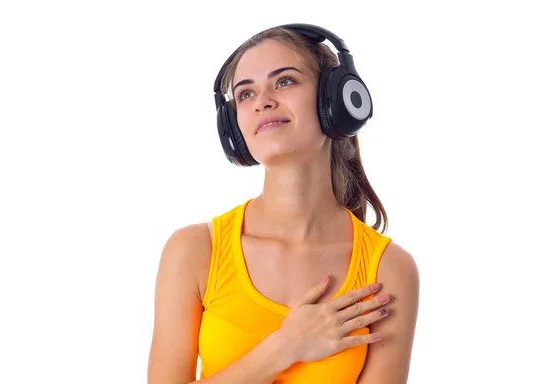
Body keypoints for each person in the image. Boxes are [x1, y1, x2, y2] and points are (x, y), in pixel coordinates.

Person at [147, 23, 420, 384]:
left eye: (285, 81)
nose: (262, 101)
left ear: (334, 101)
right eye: (245, 94)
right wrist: (285, 347)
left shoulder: (388, 269)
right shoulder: (195, 250)